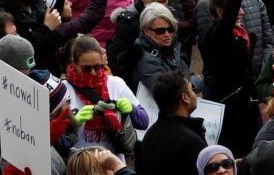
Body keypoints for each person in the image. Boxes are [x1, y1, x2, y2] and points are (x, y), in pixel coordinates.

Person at [198, 0, 260, 155]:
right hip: (230, 108)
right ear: (219, 12)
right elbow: (230, 14)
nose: (241, 12)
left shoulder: (238, 33)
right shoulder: (217, 36)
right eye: (236, 8)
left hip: (246, 102)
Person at [64, 35, 146, 166]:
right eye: (86, 68)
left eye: (97, 67)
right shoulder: (63, 89)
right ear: (74, 63)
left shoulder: (116, 83)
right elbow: (52, 137)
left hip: (113, 165)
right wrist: (72, 123)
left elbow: (144, 122)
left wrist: (131, 109)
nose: (93, 73)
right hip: (80, 166)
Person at [136, 70, 207, 175]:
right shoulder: (191, 142)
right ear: (185, 97)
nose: (194, 93)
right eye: (192, 88)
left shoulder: (150, 134)